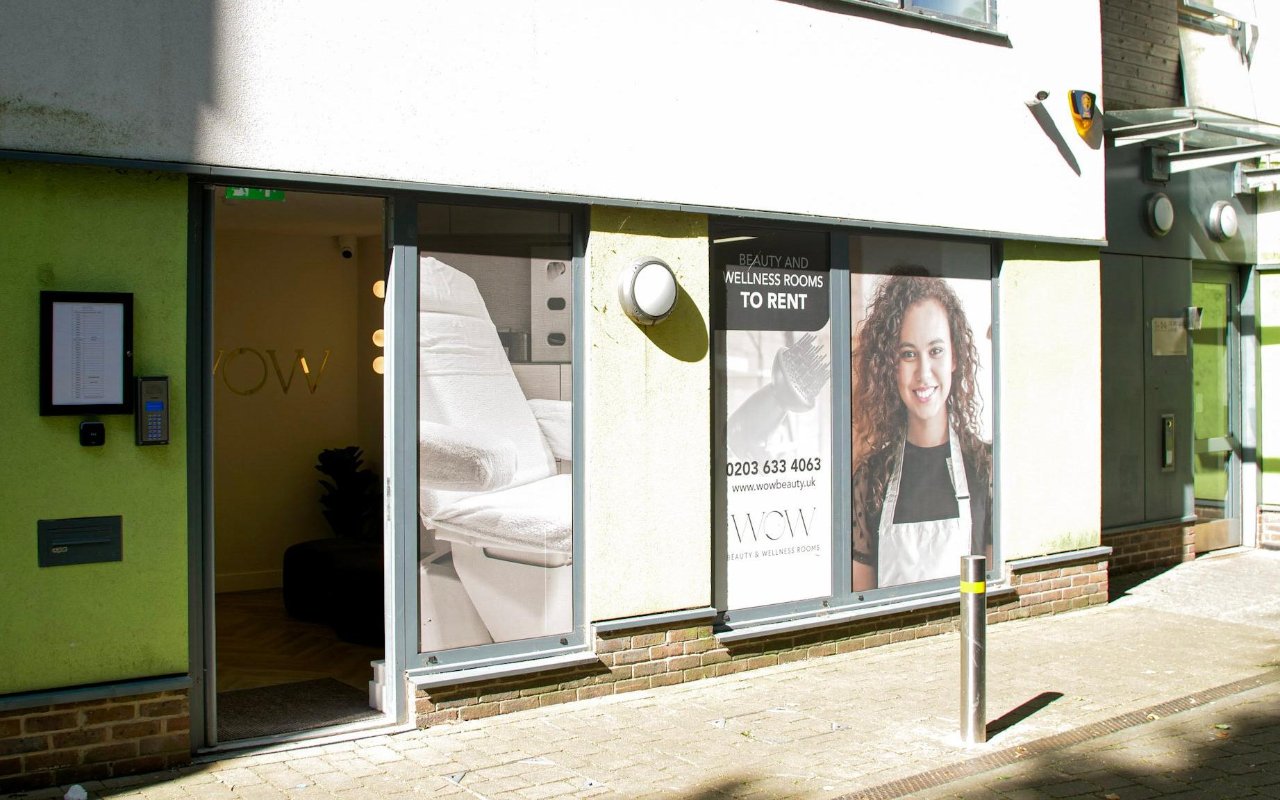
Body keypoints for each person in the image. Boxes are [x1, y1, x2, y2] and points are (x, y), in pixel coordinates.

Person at [850, 271, 991, 591]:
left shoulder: (986, 468)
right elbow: (863, 602)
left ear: (954, 357)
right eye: (908, 354)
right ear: (891, 366)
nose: (923, 373)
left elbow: (994, 598)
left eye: (936, 350)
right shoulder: (870, 480)